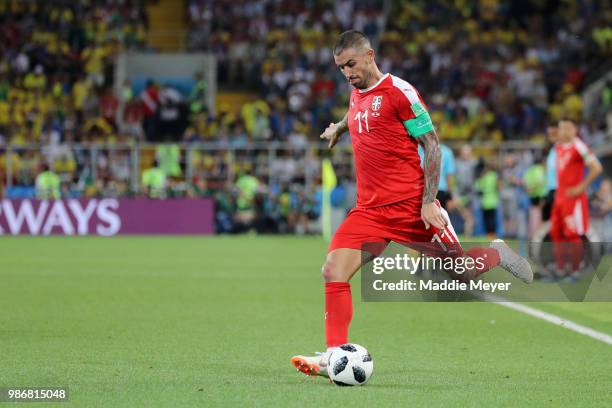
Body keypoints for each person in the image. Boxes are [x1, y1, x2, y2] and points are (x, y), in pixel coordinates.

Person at [290, 31, 533, 379]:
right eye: (341, 68)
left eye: (351, 64)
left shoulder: (400, 92)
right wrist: (340, 128)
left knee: (460, 273)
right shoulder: (356, 91)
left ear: (370, 55)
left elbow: (431, 145)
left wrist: (429, 202)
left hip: (411, 207)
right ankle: (333, 356)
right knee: (333, 270)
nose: (346, 73)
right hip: (369, 211)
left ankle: (497, 254)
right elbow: (358, 113)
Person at [550, 119, 603, 278]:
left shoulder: (579, 146)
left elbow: (597, 168)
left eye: (568, 128)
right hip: (560, 197)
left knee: (573, 235)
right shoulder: (558, 146)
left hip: (573, 199)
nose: (564, 131)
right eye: (562, 128)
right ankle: (560, 269)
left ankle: (575, 271)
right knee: (556, 233)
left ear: (575, 130)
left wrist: (582, 186)